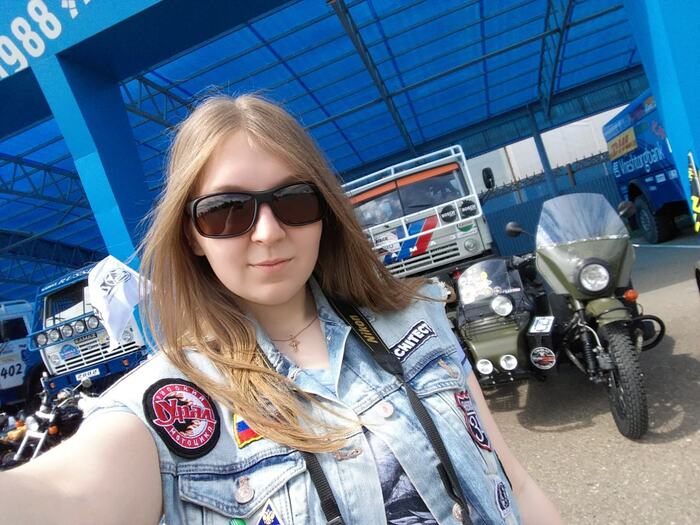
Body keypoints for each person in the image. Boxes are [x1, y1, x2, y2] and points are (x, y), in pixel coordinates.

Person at [0, 95, 563, 525]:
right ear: (192, 234)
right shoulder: (167, 407)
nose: (268, 232)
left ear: (324, 211)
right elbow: (71, 494)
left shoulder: (419, 316)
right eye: (227, 210)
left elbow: (512, 480)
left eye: (293, 200)